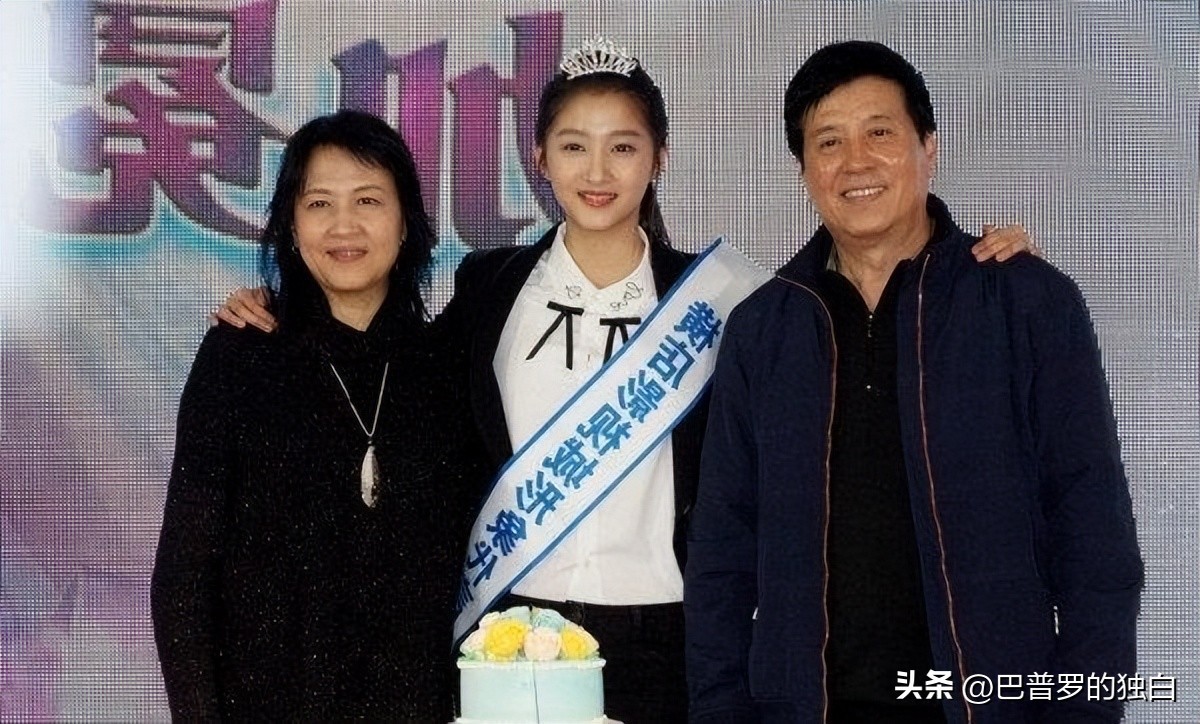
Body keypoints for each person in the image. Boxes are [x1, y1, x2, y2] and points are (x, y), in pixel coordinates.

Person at [214, 38, 1035, 722]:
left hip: (670, 643)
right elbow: (388, 378)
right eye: (574, 145)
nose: (597, 170)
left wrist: (962, 262)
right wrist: (278, 310)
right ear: (540, 158)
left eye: (624, 145)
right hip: (510, 642)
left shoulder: (728, 302)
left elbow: (859, 316)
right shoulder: (488, 288)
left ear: (659, 157)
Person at [684, 40, 1144, 724]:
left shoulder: (1024, 301)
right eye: (828, 142)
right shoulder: (763, 329)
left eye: (880, 133)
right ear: (804, 170)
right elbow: (721, 552)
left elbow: (1094, 534)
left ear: (929, 146)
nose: (855, 162)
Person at [150, 110, 483, 721]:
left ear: (406, 222)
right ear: (291, 224)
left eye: (368, 201)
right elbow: (185, 572)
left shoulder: (449, 364)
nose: (343, 226)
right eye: (319, 203)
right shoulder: (240, 354)